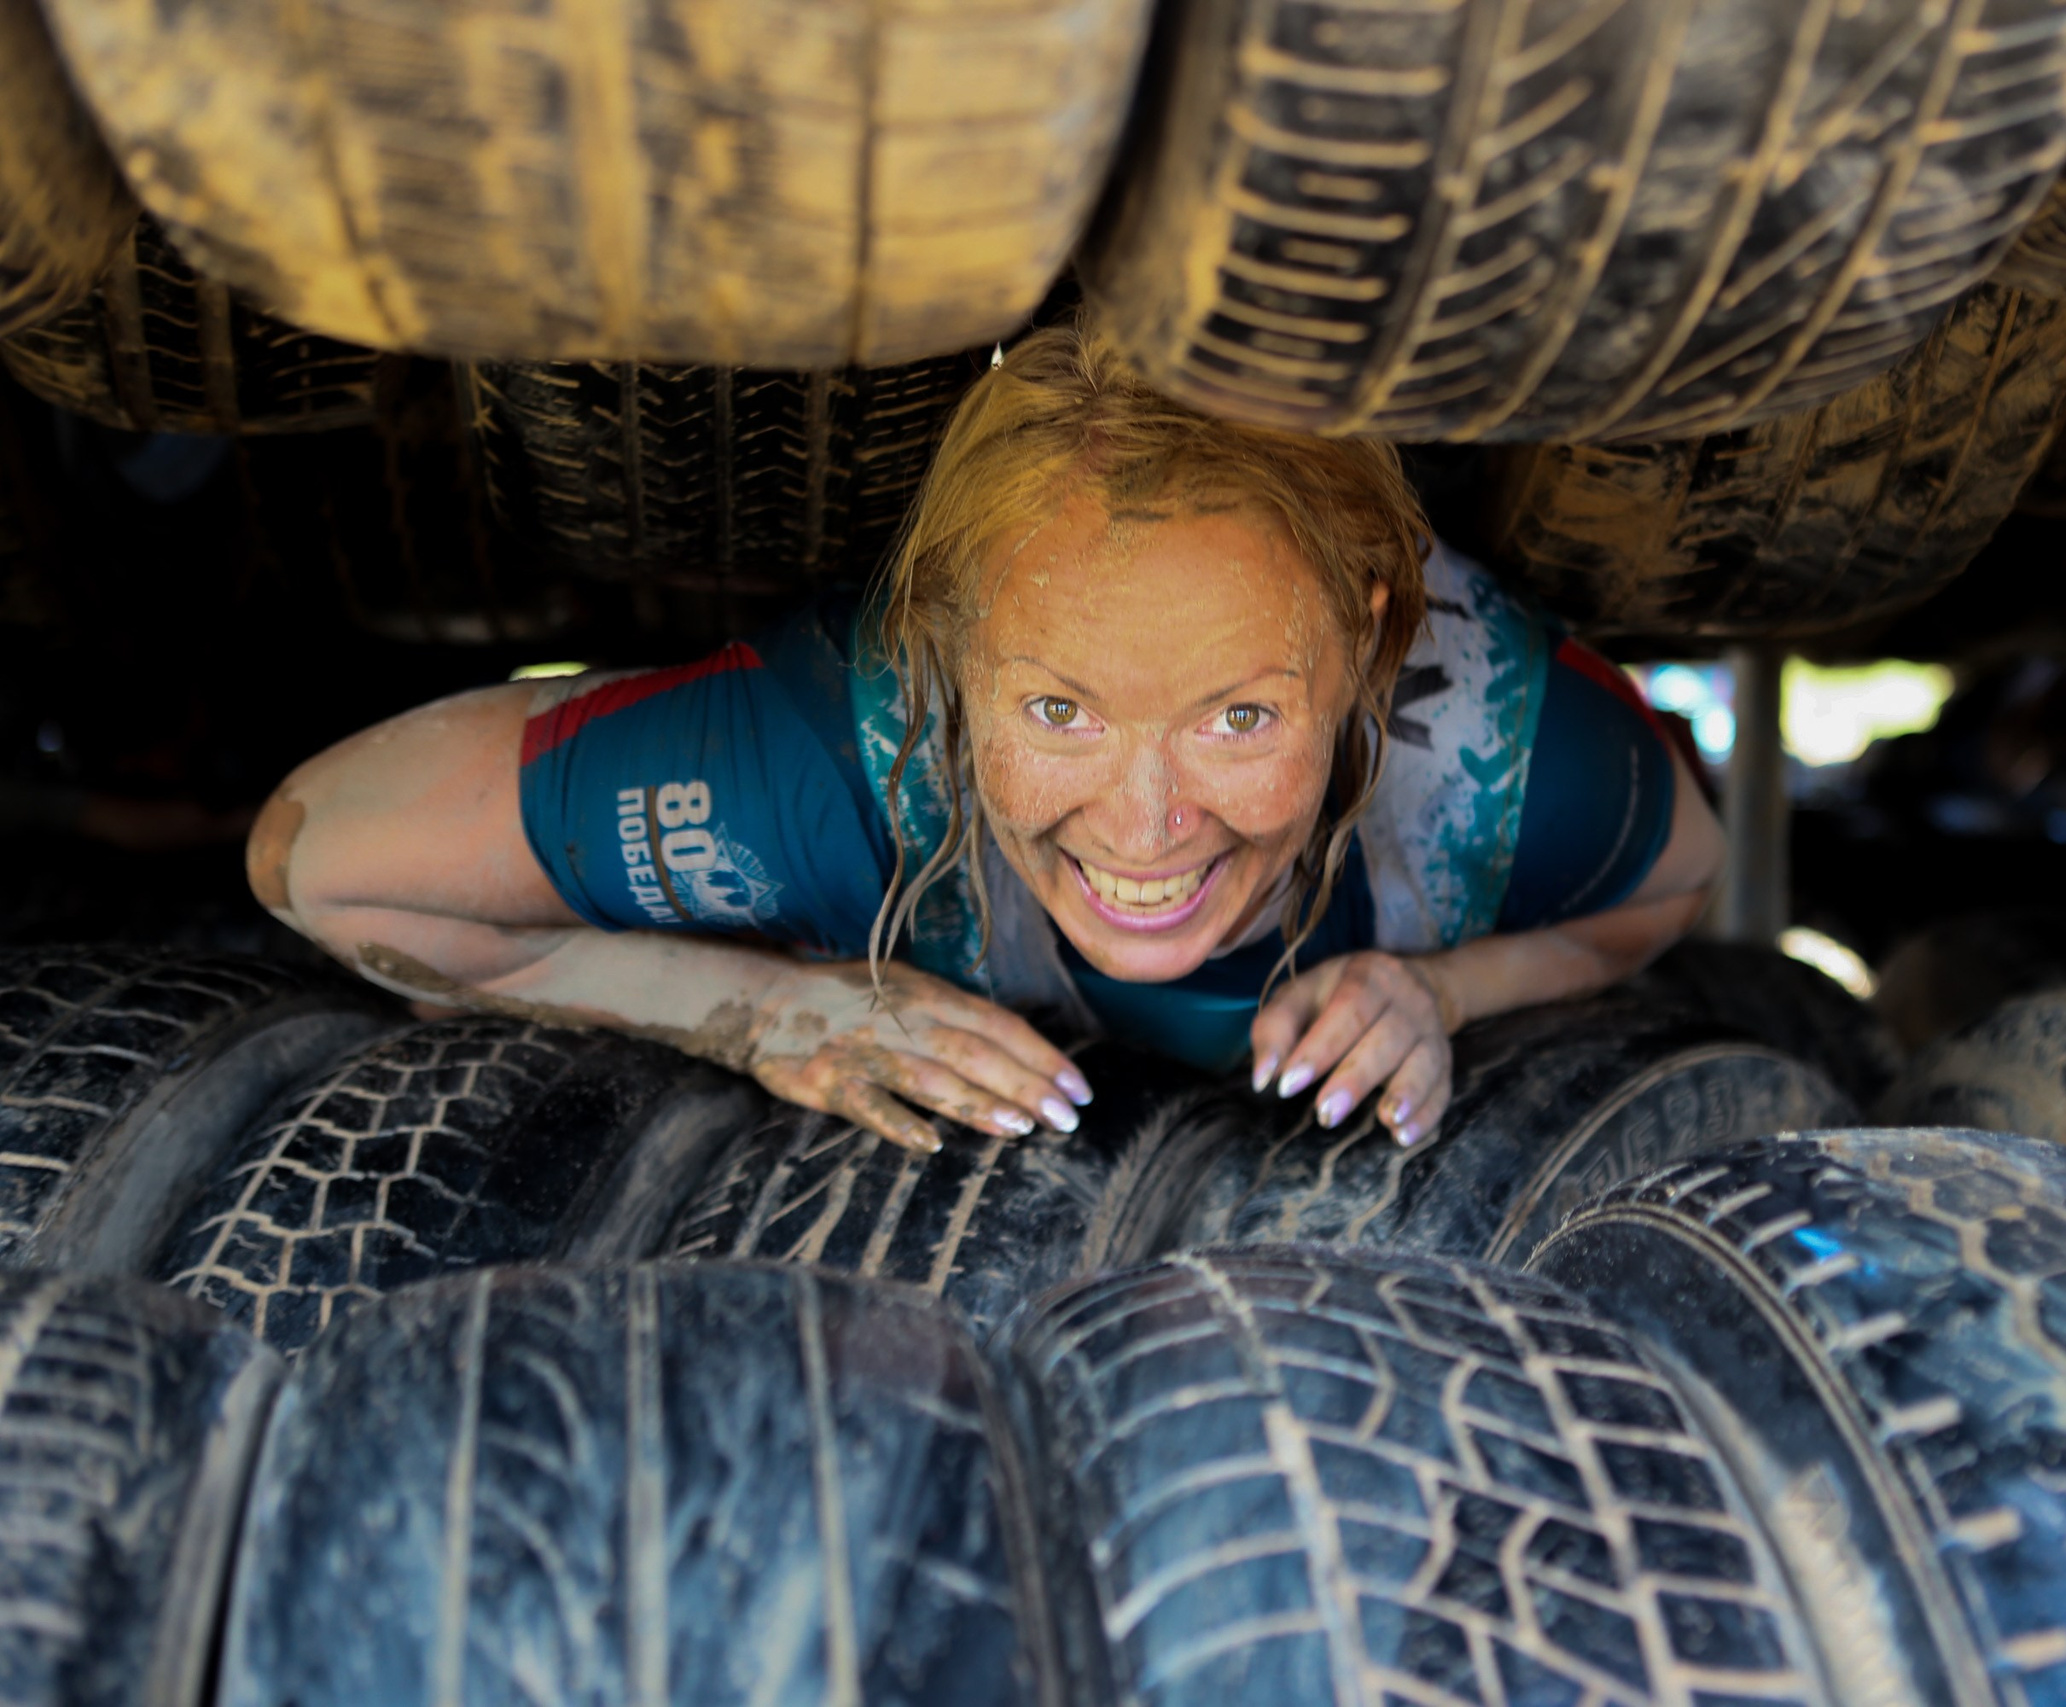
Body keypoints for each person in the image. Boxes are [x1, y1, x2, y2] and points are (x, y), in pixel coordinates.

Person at [246, 324, 1724, 1153]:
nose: (1148, 828)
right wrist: (757, 1013)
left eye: (1241, 716)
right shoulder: (840, 765)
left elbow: (1680, 887)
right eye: (1059, 712)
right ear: (948, 646)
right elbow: (321, 861)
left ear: (1378, 641)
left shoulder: (1496, 760)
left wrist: (1442, 987)